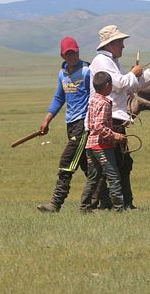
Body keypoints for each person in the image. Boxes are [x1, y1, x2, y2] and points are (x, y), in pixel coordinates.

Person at [90, 25, 150, 209]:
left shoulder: (112, 61)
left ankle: (116, 204)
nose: (123, 46)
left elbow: (131, 87)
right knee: (112, 166)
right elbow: (121, 83)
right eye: (120, 42)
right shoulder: (102, 61)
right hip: (109, 119)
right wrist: (134, 73)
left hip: (116, 118)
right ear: (110, 44)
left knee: (120, 163)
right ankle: (104, 204)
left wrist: (149, 71)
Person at [36, 37, 94, 213]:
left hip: (83, 124)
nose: (72, 56)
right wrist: (47, 120)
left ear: (78, 51)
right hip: (70, 124)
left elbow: (93, 97)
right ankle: (105, 200)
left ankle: (55, 203)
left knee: (67, 161)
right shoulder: (62, 74)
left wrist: (89, 122)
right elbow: (59, 98)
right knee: (86, 165)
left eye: (74, 53)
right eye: (68, 54)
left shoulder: (87, 71)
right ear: (62, 54)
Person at [80, 71, 127, 213]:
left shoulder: (93, 100)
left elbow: (91, 123)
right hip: (102, 146)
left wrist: (115, 128)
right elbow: (99, 126)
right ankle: (119, 209)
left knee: (92, 178)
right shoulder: (105, 103)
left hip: (90, 145)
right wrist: (115, 136)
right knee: (113, 176)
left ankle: (84, 208)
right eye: (111, 84)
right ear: (107, 85)